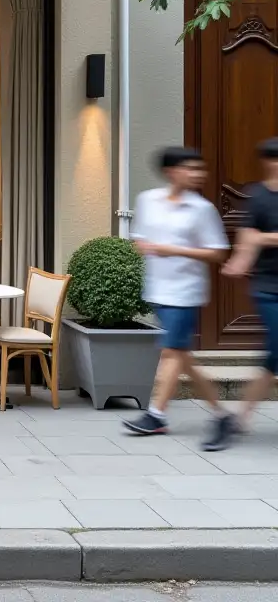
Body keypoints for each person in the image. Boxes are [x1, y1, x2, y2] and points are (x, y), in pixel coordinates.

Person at [122, 147, 233, 447]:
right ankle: (222, 414)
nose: (198, 174)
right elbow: (139, 239)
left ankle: (156, 415)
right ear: (171, 171)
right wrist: (145, 246)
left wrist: (175, 250)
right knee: (182, 357)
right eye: (190, 168)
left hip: (186, 292)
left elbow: (217, 252)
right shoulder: (148, 201)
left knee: (172, 352)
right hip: (157, 289)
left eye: (200, 169)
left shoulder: (202, 209)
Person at [219, 137, 278, 448]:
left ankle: (240, 417)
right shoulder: (257, 197)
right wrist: (238, 261)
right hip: (268, 288)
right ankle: (239, 417)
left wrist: (263, 239)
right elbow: (245, 240)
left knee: (272, 357)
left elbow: (257, 238)